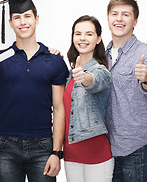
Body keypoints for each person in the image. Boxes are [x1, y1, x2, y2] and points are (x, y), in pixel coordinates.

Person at [0, 0, 69, 182]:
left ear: (37, 19)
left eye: (27, 16)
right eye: (17, 17)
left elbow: (59, 108)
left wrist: (57, 151)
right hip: (6, 145)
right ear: (10, 22)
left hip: (43, 145)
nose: (23, 22)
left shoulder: (54, 61)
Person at [105, 0, 147, 182]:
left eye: (125, 14)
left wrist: (146, 78)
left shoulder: (143, 52)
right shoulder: (102, 55)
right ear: (108, 18)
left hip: (136, 146)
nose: (119, 19)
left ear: (134, 21)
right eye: (115, 14)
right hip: (107, 147)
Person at [63, 15, 114, 182]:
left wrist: (84, 76)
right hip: (71, 153)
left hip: (96, 153)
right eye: (78, 34)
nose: (82, 38)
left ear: (98, 38)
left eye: (89, 34)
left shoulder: (101, 71)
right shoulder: (69, 76)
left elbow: (93, 81)